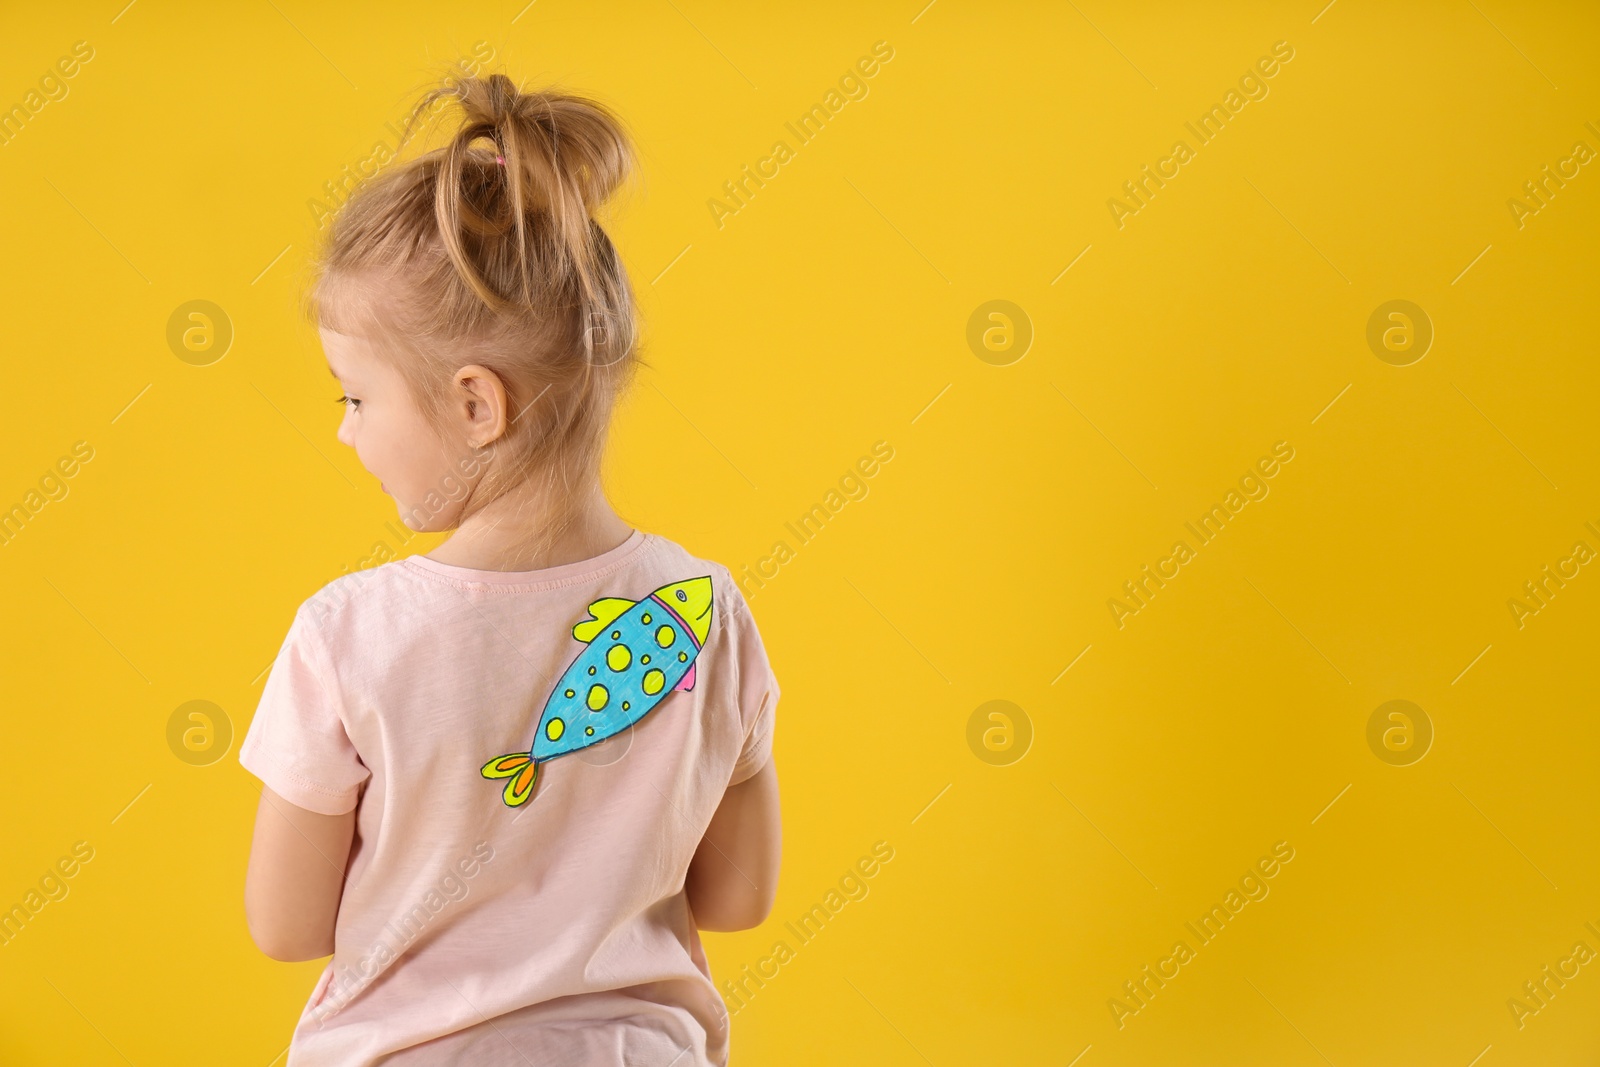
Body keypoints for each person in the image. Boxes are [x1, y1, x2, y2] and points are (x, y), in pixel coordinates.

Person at [239, 70, 782, 1066]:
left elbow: (283, 921)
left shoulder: (348, 633)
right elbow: (738, 899)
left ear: (477, 405)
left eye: (356, 399)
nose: (345, 435)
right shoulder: (703, 608)